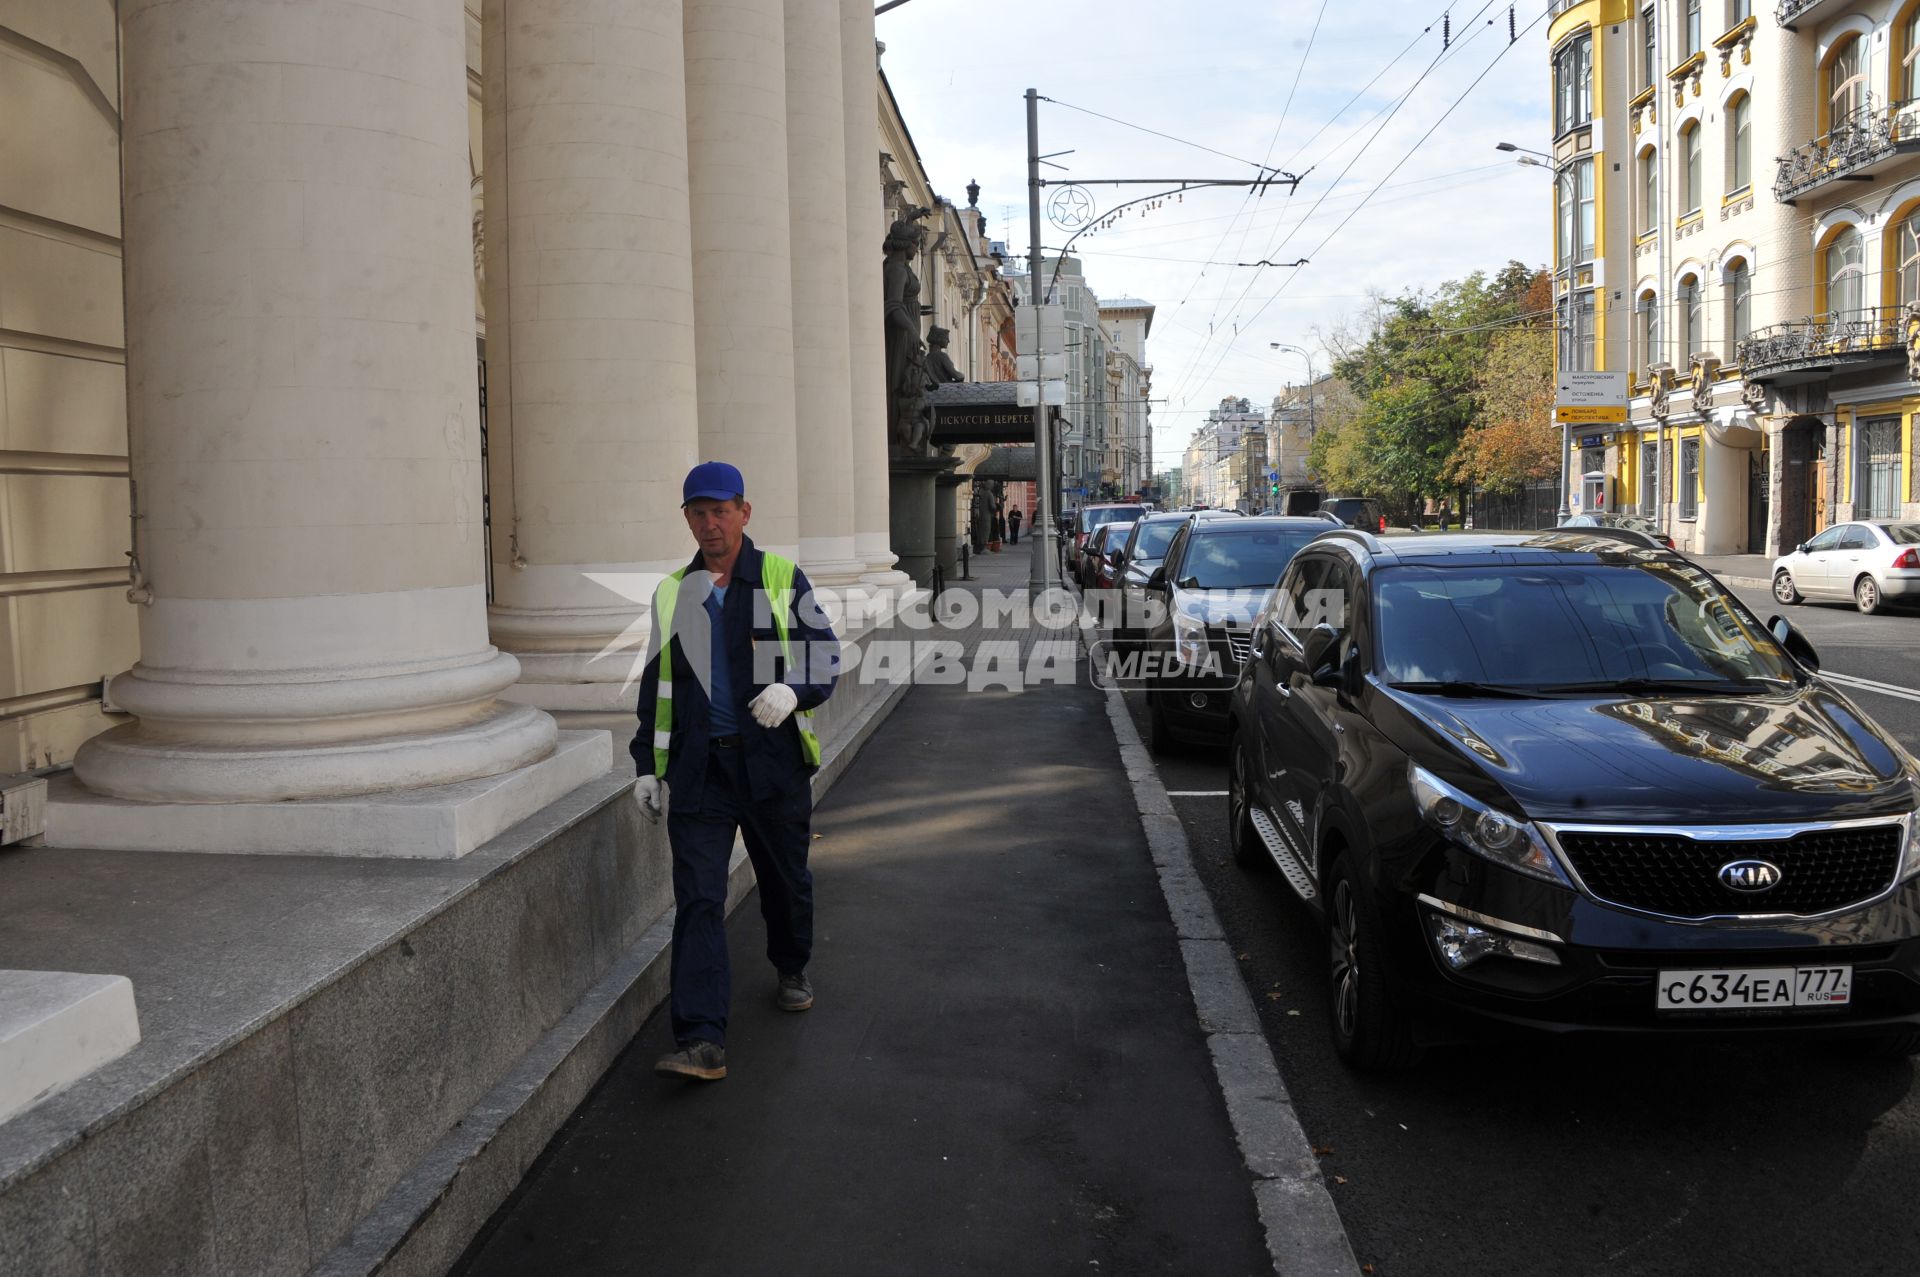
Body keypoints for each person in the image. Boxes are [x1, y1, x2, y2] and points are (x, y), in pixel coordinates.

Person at [630, 461, 839, 1082]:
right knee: (698, 899)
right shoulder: (673, 593)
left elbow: (823, 655)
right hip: (699, 770)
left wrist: (793, 691)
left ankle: (791, 963)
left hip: (771, 763)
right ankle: (701, 1039)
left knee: (783, 880)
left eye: (721, 510)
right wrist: (647, 764)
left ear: (744, 513)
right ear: (688, 519)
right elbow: (655, 685)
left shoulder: (778, 578)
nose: (710, 523)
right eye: (699, 512)